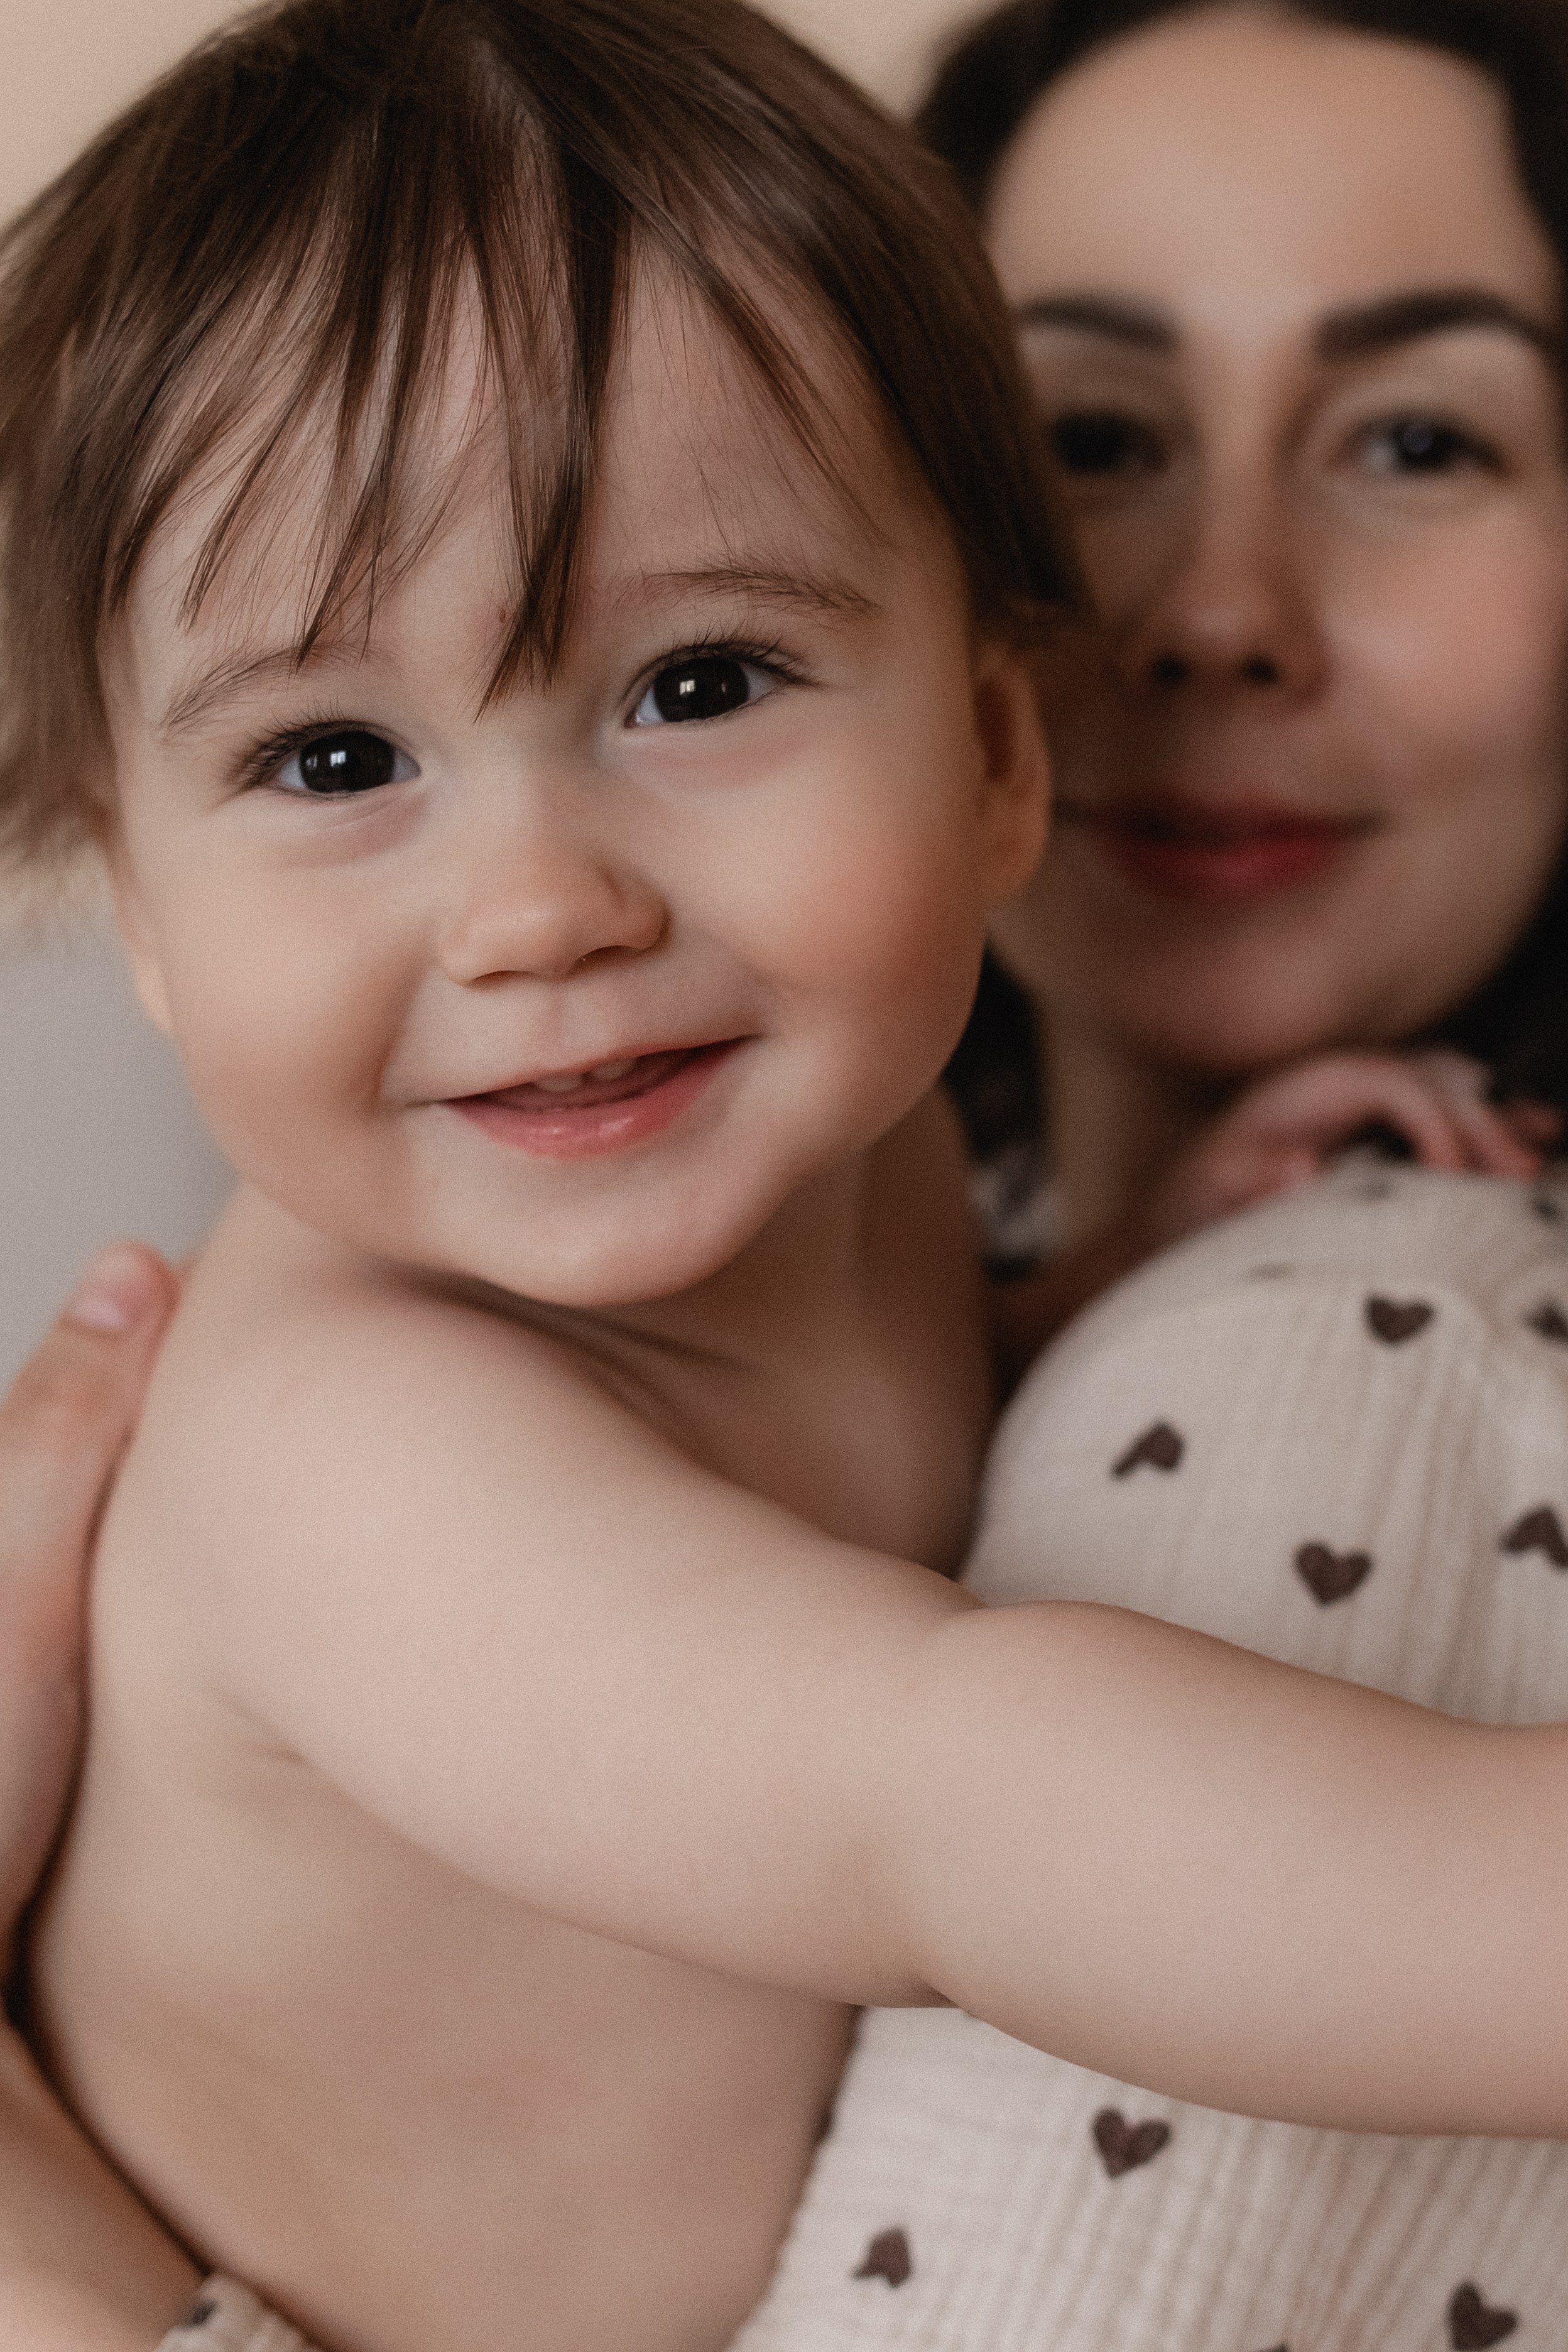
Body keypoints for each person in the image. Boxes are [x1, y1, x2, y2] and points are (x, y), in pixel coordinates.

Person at [3, 6, 1568, 2352]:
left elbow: (838, 1461)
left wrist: (1098, 1288)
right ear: (136, 902)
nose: (539, 910)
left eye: (700, 685)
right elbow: (955, 1802)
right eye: (333, 757)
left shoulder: (865, 1153)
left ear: (996, 754)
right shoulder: (352, 1450)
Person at [730, 1, 1568, 2344]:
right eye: (1089, 438)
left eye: (1418, 439)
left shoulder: (1344, 1340)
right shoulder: (959, 1284)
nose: (1216, 617)